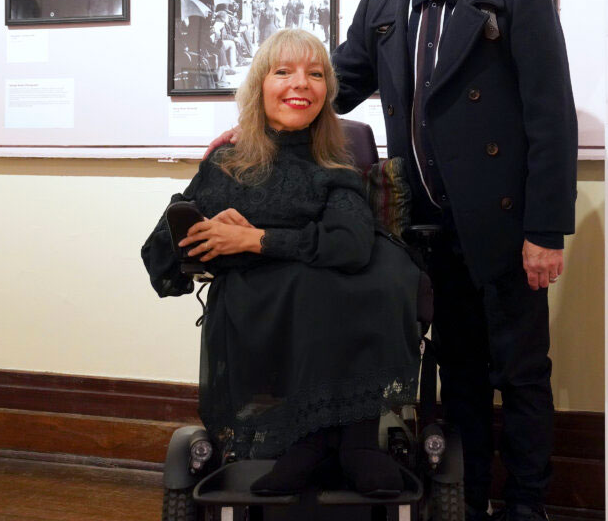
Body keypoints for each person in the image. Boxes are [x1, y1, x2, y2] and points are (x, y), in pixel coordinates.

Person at [332, 0, 575, 521]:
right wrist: (255, 115)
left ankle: (526, 507)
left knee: (522, 379)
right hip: (429, 237)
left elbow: (551, 118)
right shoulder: (383, 7)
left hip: (506, 233)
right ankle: (465, 503)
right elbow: (328, 87)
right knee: (459, 380)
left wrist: (544, 231)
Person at [143, 30, 422, 496]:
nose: (302, 83)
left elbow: (350, 244)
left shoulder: (335, 164)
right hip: (262, 300)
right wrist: (207, 227)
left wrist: (255, 238)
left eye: (316, 74)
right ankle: (314, 442)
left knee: (370, 277)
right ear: (260, 88)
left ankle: (351, 442)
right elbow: (160, 251)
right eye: (284, 71)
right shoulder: (226, 163)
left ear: (327, 93)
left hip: (335, 293)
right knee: (310, 285)